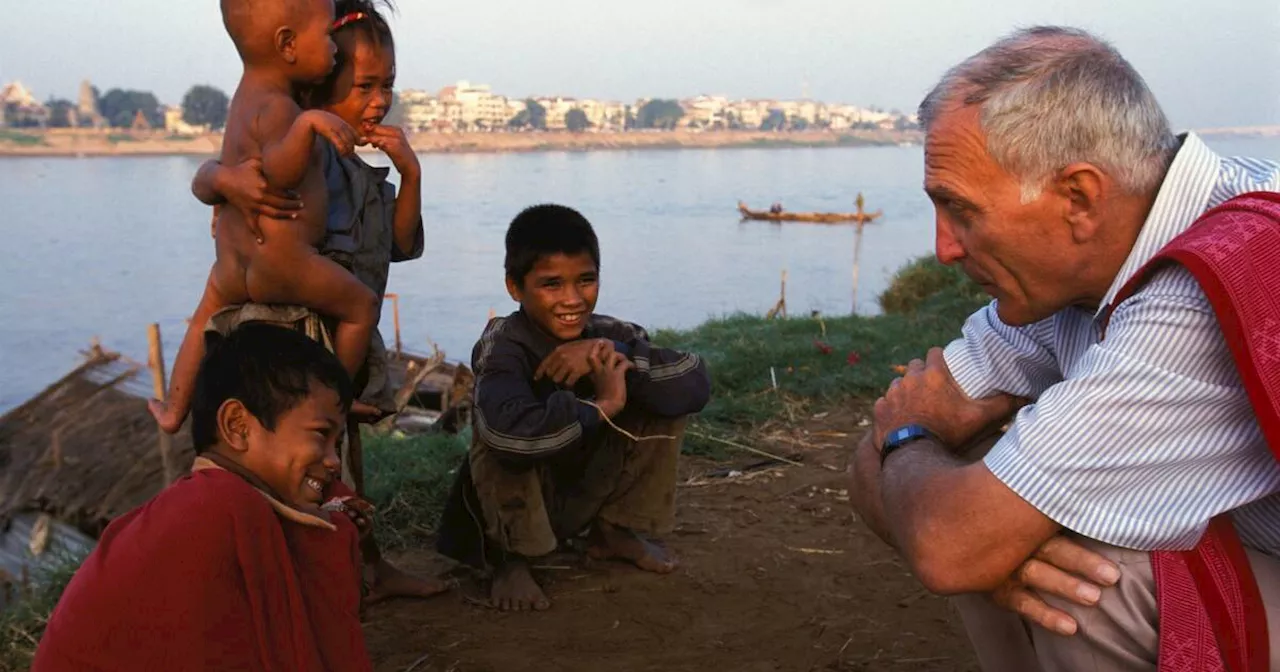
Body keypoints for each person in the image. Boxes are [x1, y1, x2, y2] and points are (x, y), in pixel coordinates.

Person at [847, 26, 1280, 671]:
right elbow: (872, 466)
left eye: (961, 209)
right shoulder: (1070, 270)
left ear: (1078, 198)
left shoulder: (1207, 291)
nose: (945, 249)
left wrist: (911, 441)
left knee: (1088, 578)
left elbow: (945, 539)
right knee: (987, 508)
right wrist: (968, 526)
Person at [189, 0, 442, 603]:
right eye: (363, 87)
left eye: (388, 87)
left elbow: (403, 245)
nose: (379, 101)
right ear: (321, 87)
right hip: (302, 333)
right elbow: (214, 176)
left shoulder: (363, 170)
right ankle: (304, 579)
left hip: (347, 343)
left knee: (344, 462)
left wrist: (410, 176)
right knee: (301, 466)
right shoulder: (306, 150)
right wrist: (224, 182)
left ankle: (368, 566)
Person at [33, 324, 373, 671]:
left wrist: (335, 521)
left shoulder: (223, 500)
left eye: (337, 441)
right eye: (321, 434)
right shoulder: (213, 512)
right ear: (238, 425)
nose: (333, 461)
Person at [435, 204, 711, 611]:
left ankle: (614, 530)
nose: (572, 299)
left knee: (658, 389)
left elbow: (694, 382)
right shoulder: (503, 344)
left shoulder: (614, 333)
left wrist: (612, 354)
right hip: (524, 500)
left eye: (586, 280)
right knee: (496, 431)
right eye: (551, 284)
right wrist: (602, 406)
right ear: (514, 287)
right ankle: (511, 559)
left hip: (584, 488)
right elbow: (509, 438)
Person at [149, 0, 379, 435]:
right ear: (287, 44)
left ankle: (173, 410)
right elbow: (279, 172)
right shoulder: (281, 108)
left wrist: (223, 180)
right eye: (327, 36)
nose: (332, 49)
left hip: (233, 266)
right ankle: (338, 400)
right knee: (360, 307)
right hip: (284, 261)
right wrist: (308, 124)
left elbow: (216, 174)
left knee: (202, 320)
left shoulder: (243, 98)